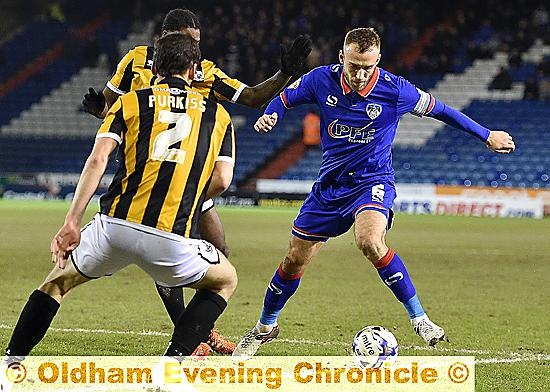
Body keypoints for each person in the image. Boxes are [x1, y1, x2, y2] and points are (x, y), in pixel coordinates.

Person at [233, 27, 515, 357]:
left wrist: (485, 135)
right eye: (354, 65)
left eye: (368, 66)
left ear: (378, 60)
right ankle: (265, 327)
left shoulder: (396, 90)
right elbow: (284, 98)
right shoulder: (320, 79)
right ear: (342, 58)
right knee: (294, 259)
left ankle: (420, 318)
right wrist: (271, 115)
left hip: (372, 181)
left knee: (369, 240)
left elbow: (442, 111)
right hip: (330, 186)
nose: (360, 73)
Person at [2, 33, 238, 382]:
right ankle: (172, 369)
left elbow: (98, 159)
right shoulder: (218, 116)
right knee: (225, 280)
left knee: (55, 284)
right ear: (194, 71)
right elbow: (222, 178)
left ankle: (10, 366)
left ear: (155, 67)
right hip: (171, 239)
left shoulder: (128, 103)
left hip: (113, 227)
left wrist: (71, 221)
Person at [81, 8, 312, 355]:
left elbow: (251, 96)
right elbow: (113, 107)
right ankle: (194, 339)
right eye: (191, 42)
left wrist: (285, 74)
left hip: (191, 176)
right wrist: (99, 108)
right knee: (167, 250)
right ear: (166, 40)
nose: (196, 51)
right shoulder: (135, 61)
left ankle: (198, 329)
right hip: (143, 174)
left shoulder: (205, 72)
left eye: (198, 43)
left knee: (220, 252)